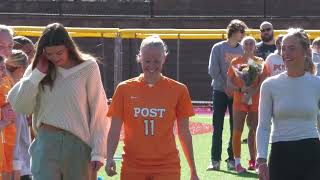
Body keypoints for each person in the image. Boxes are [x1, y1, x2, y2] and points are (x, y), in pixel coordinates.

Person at [7, 23, 109, 180]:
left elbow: (99, 110)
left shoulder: (88, 67)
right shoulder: (38, 69)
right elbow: (20, 105)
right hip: (45, 144)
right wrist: (38, 74)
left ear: (69, 47)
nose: (54, 58)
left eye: (59, 53)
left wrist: (98, 152)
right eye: (49, 54)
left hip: (79, 146)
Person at [105, 35, 199, 180]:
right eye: (147, 61)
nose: (152, 66)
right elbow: (114, 129)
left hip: (167, 166)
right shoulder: (124, 89)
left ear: (164, 59)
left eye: (157, 61)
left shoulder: (179, 90)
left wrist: (193, 170)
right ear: (139, 58)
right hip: (133, 165)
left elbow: (184, 132)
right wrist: (109, 157)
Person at [257, 28, 320, 180]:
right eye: (283, 48)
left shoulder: (317, 84)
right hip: (280, 153)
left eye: (292, 48)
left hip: (311, 151)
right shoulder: (269, 85)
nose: (286, 53)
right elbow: (264, 126)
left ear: (305, 51)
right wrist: (262, 160)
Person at [207, 19, 247, 171]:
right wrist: (226, 87)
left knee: (235, 127)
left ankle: (232, 159)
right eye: (240, 32)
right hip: (219, 92)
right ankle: (214, 160)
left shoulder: (243, 49)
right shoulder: (218, 48)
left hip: (236, 94)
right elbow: (213, 70)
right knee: (217, 127)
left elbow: (246, 72)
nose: (242, 35)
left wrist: (238, 87)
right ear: (233, 31)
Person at [227, 36, 267, 173]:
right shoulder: (236, 61)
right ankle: (237, 163)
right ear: (242, 46)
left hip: (255, 100)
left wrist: (253, 91)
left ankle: (254, 161)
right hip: (240, 100)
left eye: (252, 43)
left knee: (254, 129)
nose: (249, 45)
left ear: (255, 46)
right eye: (246, 43)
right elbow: (229, 82)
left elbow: (263, 80)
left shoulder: (259, 61)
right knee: (237, 130)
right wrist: (240, 89)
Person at [6, 50, 31, 180]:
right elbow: (14, 139)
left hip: (18, 166)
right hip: (17, 168)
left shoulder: (15, 92)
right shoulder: (11, 95)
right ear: (22, 69)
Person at [0, 24, 17, 180]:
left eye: (10, 46)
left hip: (9, 139)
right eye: (1, 46)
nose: (7, 51)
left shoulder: (7, 73)